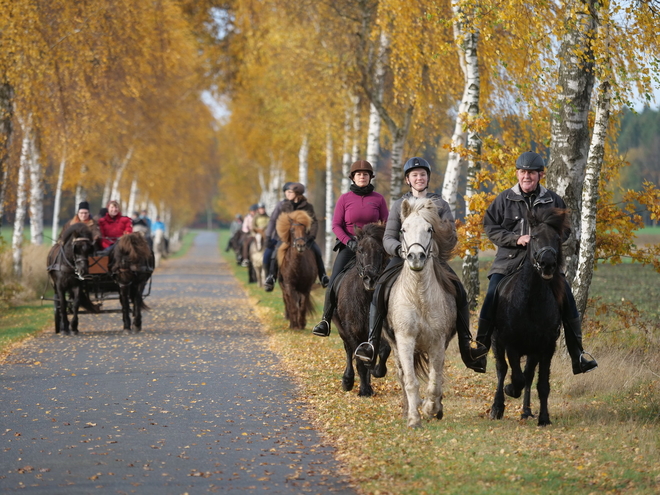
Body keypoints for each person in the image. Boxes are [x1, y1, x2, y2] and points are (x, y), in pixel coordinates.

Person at [354, 157, 487, 373]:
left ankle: (467, 345)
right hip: (403, 256)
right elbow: (388, 237)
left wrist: (436, 244)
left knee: (460, 291)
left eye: (422, 174)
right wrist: (399, 250)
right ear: (408, 179)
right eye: (415, 175)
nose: (419, 178)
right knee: (380, 290)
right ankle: (371, 343)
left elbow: (451, 235)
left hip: (433, 258)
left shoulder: (439, 204)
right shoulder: (400, 205)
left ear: (428, 178)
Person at [473, 151, 598, 374]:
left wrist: (547, 243)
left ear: (540, 175)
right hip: (510, 262)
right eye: (522, 172)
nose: (526, 177)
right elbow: (491, 228)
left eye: (531, 173)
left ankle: (578, 355)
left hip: (544, 265)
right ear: (517, 174)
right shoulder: (504, 199)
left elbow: (566, 230)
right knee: (492, 295)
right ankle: (480, 350)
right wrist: (515, 239)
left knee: (567, 297)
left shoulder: (553, 200)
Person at [311, 160, 388, 337]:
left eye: (365, 174)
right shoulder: (344, 199)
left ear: (370, 177)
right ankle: (325, 320)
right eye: (359, 174)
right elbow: (336, 225)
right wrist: (349, 241)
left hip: (373, 248)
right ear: (353, 177)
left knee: (392, 276)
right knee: (334, 280)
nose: (362, 176)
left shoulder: (378, 199)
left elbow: (386, 223)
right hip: (350, 246)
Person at [263, 182, 329, 292]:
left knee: (317, 252)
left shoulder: (308, 207)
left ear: (297, 193)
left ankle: (323, 277)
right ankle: (271, 277)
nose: (287, 194)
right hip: (286, 238)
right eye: (286, 192)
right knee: (274, 253)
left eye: (290, 192)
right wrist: (269, 236)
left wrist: (311, 236)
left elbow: (314, 223)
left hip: (305, 238)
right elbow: (274, 221)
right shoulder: (283, 206)